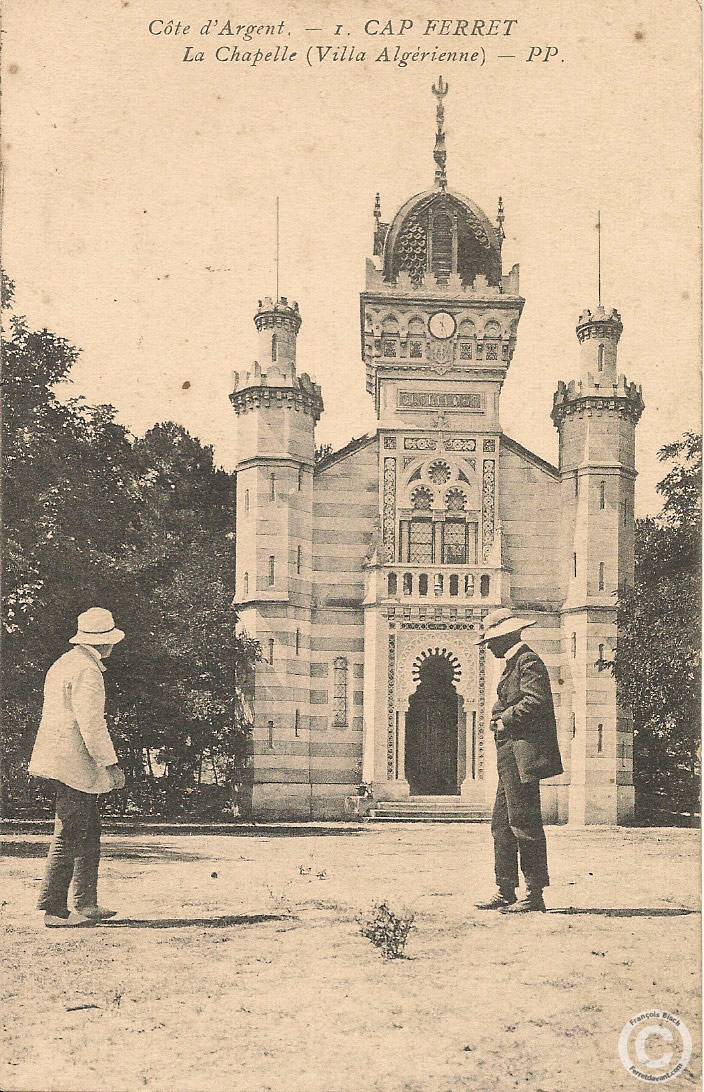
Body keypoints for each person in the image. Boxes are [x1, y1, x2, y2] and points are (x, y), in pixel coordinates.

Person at [28, 607, 126, 927]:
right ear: (104, 643)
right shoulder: (87, 670)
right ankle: (54, 910)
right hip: (72, 763)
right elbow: (91, 724)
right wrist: (110, 765)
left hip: (62, 758)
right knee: (71, 831)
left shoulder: (65, 662)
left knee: (87, 829)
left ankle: (86, 903)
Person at [474, 607, 562, 914]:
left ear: (506, 636)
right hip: (509, 755)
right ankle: (506, 889)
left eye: (492, 640)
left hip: (522, 755)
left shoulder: (528, 660)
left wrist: (504, 720)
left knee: (524, 822)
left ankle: (534, 893)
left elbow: (535, 701)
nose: (490, 647)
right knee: (502, 824)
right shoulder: (514, 663)